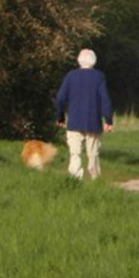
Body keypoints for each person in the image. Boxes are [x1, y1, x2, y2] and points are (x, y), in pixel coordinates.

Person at [55, 49, 113, 180]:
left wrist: (60, 117)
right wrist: (108, 120)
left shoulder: (71, 76)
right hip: (93, 123)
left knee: (75, 154)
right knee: (93, 154)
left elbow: (60, 98)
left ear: (79, 61)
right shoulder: (99, 76)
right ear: (94, 61)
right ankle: (95, 181)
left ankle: (75, 181)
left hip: (74, 122)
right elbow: (105, 99)